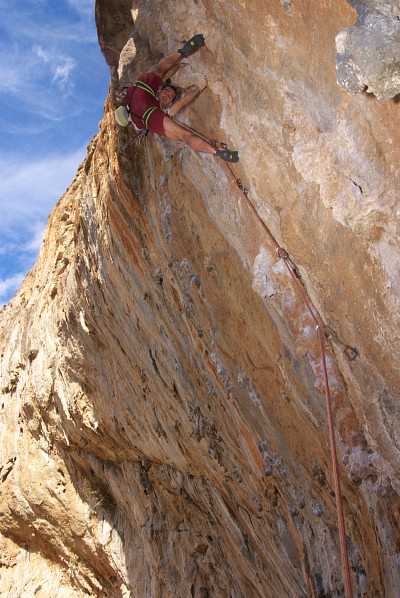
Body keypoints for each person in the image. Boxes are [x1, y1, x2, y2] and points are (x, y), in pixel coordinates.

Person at [121, 35, 239, 162]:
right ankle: (181, 52)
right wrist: (178, 68)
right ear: (159, 90)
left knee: (185, 135)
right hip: (140, 98)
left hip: (137, 99)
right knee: (184, 135)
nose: (167, 96)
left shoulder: (161, 112)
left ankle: (217, 152)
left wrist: (198, 88)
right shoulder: (159, 108)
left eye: (170, 97)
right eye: (166, 92)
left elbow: (182, 101)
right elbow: (177, 94)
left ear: (170, 103)